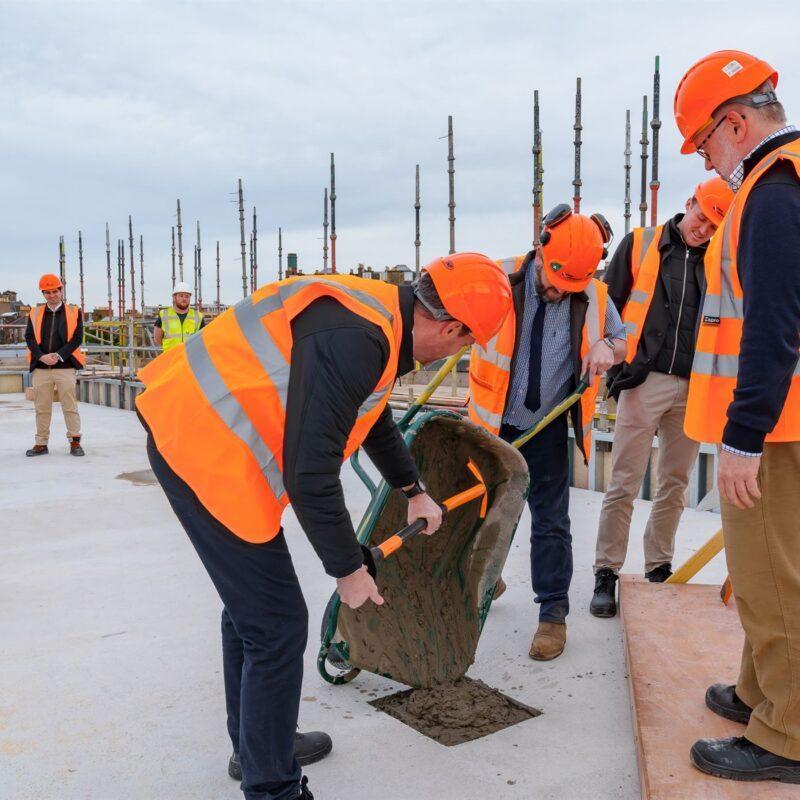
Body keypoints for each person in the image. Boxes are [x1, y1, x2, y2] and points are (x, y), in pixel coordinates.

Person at [135, 254, 512, 800]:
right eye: (467, 342)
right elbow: (310, 472)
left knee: (255, 613)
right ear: (451, 327)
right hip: (203, 447)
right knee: (276, 624)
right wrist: (349, 568)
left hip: (202, 430)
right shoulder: (359, 338)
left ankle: (258, 747)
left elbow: (369, 412)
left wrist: (414, 490)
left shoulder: (382, 318)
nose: (460, 352)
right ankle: (273, 786)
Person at [674, 49, 800, 783]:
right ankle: (760, 693)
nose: (706, 160)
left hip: (775, 428)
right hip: (782, 419)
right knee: (764, 574)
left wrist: (745, 435)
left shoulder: (772, 190)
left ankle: (787, 736)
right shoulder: (782, 182)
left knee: (774, 578)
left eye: (703, 143)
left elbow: (774, 324)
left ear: (735, 123)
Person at [468, 206, 627, 661]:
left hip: (547, 425)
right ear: (540, 249)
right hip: (491, 422)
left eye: (569, 287)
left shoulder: (595, 295)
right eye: (555, 281)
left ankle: (553, 615)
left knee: (551, 521)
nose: (559, 292)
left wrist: (608, 347)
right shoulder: (498, 278)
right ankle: (484, 575)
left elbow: (622, 340)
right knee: (474, 509)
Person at [590, 177, 734, 617]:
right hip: (644, 381)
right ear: (689, 203)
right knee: (624, 482)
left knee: (675, 483)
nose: (703, 230)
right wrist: (618, 368)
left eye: (713, 226)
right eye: (701, 218)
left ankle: (658, 566)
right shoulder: (639, 245)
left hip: (694, 386)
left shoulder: (720, 261)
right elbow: (607, 307)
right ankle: (606, 572)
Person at [24, 273, 85, 457]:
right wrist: (41, 357)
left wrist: (59, 356)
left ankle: (75, 442)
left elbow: (77, 338)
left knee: (70, 406)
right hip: (41, 368)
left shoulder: (74, 311)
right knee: (42, 408)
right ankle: (41, 444)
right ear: (43, 294)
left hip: (65, 367)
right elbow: (29, 338)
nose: (51, 295)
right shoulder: (34, 313)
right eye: (47, 292)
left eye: (54, 291)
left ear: (61, 290)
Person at [153, 281, 204, 351]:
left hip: (189, 356)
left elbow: (202, 339)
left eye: (187, 296)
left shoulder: (198, 316)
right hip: (171, 356)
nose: (184, 299)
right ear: (174, 297)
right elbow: (157, 339)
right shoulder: (164, 315)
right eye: (181, 296)